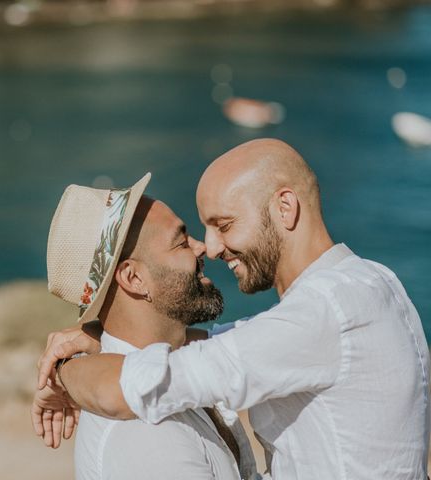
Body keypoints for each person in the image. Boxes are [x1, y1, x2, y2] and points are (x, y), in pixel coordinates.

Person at [34, 139, 430, 479]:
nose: (212, 247)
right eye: (187, 236)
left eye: (223, 224)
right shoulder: (370, 282)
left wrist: (62, 373)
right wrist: (95, 338)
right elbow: (229, 344)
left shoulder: (325, 313)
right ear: (133, 279)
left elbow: (134, 387)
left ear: (285, 207)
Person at [33, 173, 259, 479]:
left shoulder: (166, 373)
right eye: (181, 242)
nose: (201, 247)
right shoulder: (148, 437)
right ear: (134, 279)